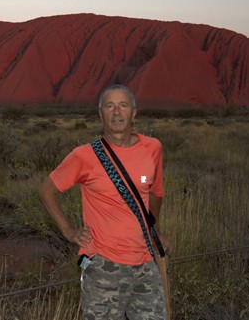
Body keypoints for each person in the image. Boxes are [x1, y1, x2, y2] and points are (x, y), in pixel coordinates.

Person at [38, 84, 171, 320]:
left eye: (123, 105)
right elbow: (46, 190)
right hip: (103, 267)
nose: (117, 112)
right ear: (101, 115)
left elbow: (156, 194)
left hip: (145, 264)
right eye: (109, 106)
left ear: (134, 112)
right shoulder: (84, 155)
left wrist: (155, 230)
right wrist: (69, 231)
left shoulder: (153, 148)